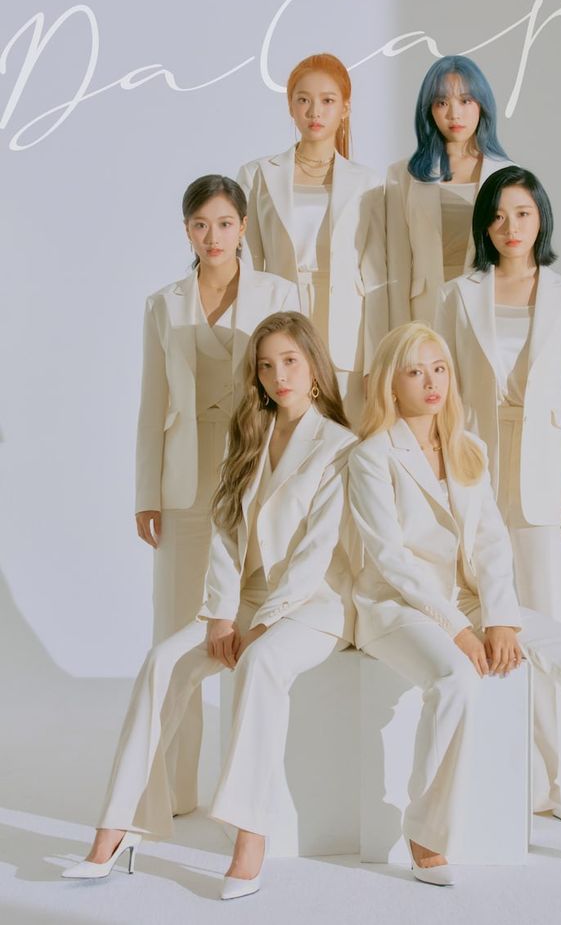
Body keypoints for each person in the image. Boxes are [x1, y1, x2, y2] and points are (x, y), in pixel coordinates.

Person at [348, 322, 561, 885]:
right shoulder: (370, 457)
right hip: (396, 608)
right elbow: (391, 562)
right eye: (414, 371)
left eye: (438, 368)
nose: (430, 382)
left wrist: (501, 619)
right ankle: (426, 829)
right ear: (391, 383)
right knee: (457, 679)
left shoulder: (468, 447)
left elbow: (490, 545)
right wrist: (460, 629)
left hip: (473, 602)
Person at [63, 312, 357, 900]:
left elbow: (317, 551)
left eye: (291, 362)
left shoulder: (340, 445)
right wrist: (222, 615)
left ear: (315, 367)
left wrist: (263, 626)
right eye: (267, 365)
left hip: (315, 603)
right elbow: (225, 531)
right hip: (244, 600)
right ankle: (115, 829)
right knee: (164, 663)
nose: (279, 376)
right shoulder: (248, 432)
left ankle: (251, 836)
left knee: (261, 665)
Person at [134, 174, 298, 816]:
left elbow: (293, 388)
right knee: (176, 632)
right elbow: (151, 407)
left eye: (225, 223)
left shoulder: (278, 294)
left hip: (253, 473)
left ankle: (253, 794)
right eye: (201, 224)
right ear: (186, 230)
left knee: (251, 632)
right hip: (181, 478)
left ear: (244, 228)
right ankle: (174, 790)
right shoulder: (161, 304)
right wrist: (147, 492)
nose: (213, 236)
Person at [436, 165, 561, 819]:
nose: (510, 227)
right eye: (498, 216)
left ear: (541, 220)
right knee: (484, 620)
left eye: (523, 214)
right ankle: (510, 771)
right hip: (474, 477)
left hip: (544, 485)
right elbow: (441, 396)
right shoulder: (457, 295)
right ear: (485, 225)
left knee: (550, 624)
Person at [237, 53, 388, 425]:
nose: (314, 111)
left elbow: (378, 277)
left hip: (346, 334)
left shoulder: (369, 182)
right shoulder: (257, 176)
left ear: (345, 108)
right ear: (290, 106)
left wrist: (376, 361)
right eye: (303, 100)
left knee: (344, 442)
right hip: (280, 319)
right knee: (283, 441)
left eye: (327, 100)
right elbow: (248, 264)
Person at [386, 55, 511, 327]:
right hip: (424, 312)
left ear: (482, 105)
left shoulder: (507, 174)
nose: (454, 114)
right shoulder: (402, 175)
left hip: (486, 311)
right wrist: (400, 333)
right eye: (442, 102)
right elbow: (396, 264)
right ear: (428, 110)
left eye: (465, 101)